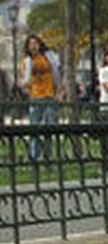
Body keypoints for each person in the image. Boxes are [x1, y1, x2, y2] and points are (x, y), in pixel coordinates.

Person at [19, 34, 62, 162]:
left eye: (35, 43)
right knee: (35, 128)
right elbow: (26, 81)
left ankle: (48, 156)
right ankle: (35, 156)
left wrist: (59, 91)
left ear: (39, 45)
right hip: (36, 97)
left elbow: (56, 74)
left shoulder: (48, 58)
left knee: (49, 128)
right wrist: (24, 85)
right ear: (27, 47)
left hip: (49, 96)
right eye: (31, 44)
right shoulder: (27, 61)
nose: (33, 46)